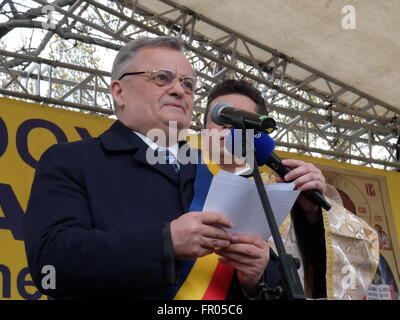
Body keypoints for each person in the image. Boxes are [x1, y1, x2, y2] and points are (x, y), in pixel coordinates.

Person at [23, 36, 239, 299]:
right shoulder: (72, 160)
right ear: (119, 92)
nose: (179, 90)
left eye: (188, 84)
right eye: (162, 77)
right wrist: (165, 242)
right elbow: (50, 264)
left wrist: (258, 274)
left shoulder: (214, 173)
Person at [199, 79, 380, 299]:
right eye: (220, 116)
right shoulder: (179, 180)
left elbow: (355, 247)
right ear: (204, 130)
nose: (228, 125)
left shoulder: (282, 189)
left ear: (260, 134)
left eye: (240, 118)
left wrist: (311, 215)